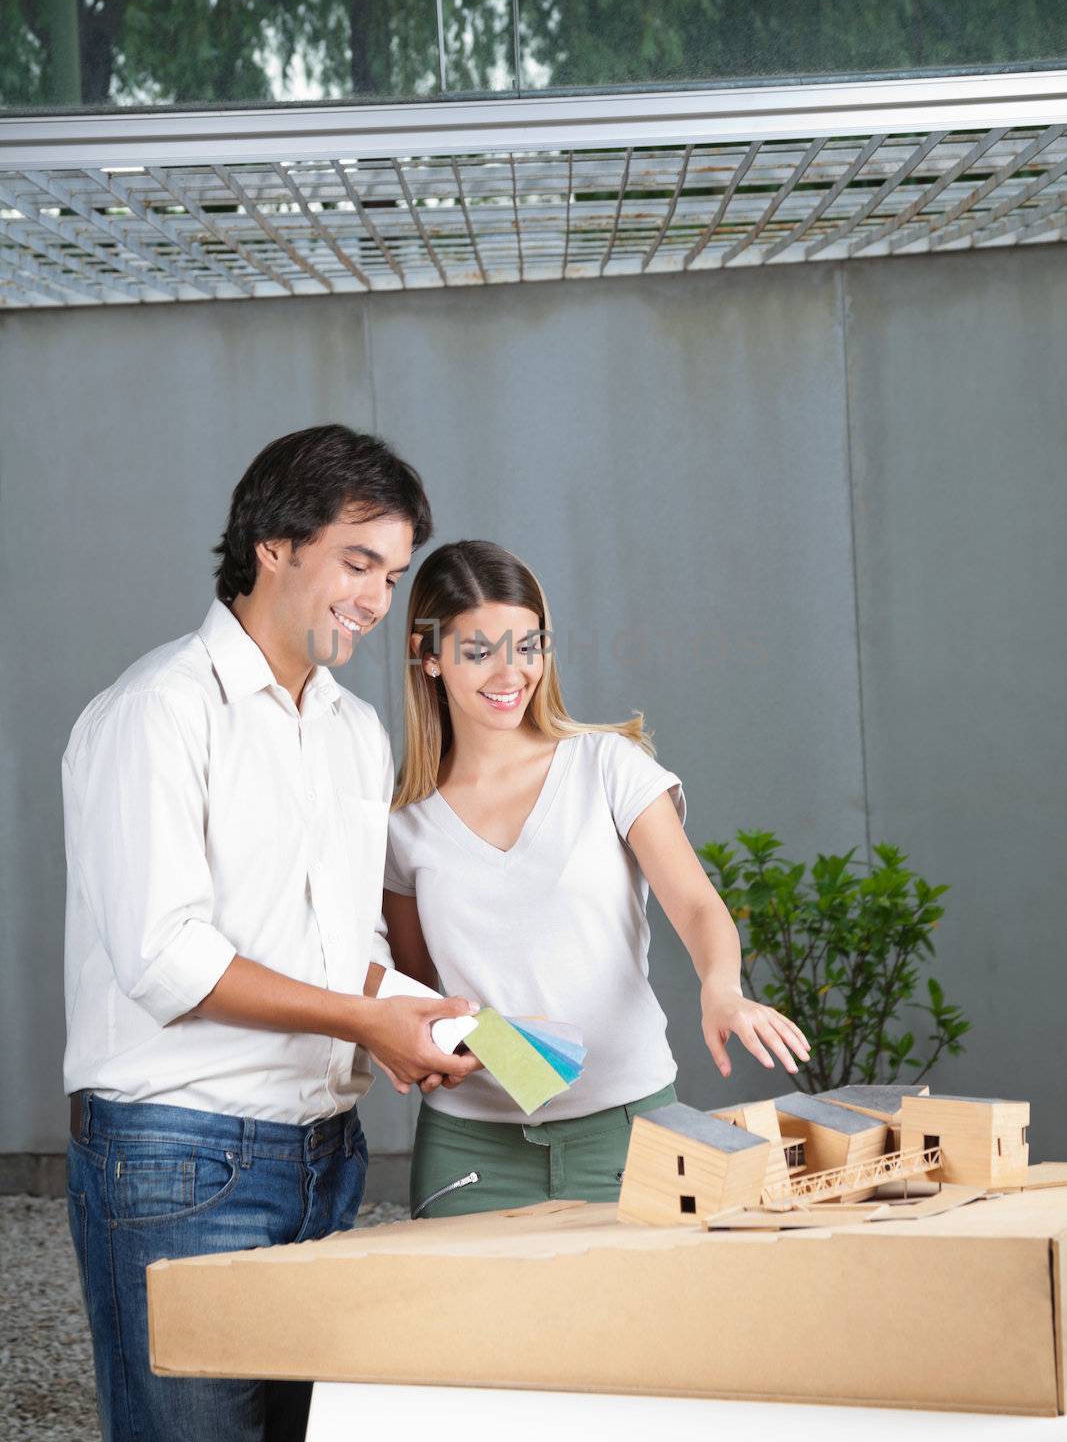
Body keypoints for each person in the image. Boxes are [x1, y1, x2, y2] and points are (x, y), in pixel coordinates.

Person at [62, 424, 480, 1442]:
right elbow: (168, 959)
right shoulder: (157, 711)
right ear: (274, 546)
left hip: (321, 1156)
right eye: (357, 561)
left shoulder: (351, 729)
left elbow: (332, 949)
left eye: (392, 572)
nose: (377, 600)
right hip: (178, 1159)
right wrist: (360, 1018)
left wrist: (408, 1018)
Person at [382, 540, 811, 1219]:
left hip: (628, 1134)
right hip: (470, 1150)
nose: (510, 672)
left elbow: (696, 905)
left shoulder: (607, 766)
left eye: (528, 646)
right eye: (478, 651)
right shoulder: (403, 822)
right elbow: (414, 991)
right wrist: (428, 1044)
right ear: (427, 655)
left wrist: (721, 991)